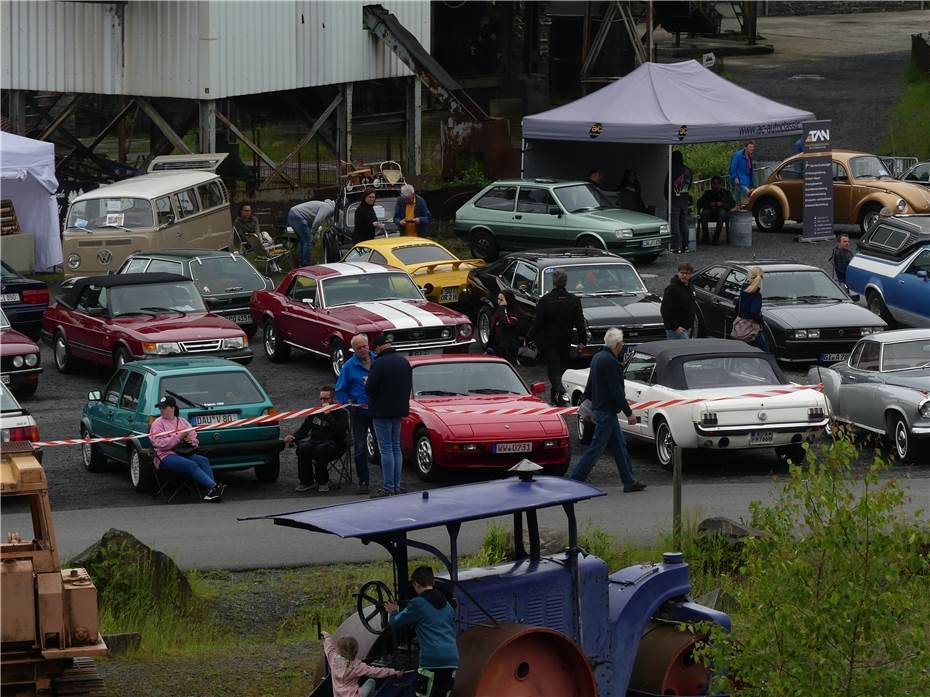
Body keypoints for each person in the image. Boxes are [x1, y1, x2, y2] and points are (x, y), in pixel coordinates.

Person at [570, 328, 646, 492]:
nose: (623, 345)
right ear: (617, 345)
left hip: (600, 410)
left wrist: (584, 403)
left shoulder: (597, 357)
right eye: (622, 343)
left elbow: (590, 384)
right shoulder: (610, 362)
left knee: (619, 445)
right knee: (597, 448)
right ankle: (576, 480)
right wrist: (629, 413)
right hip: (606, 411)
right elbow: (616, 391)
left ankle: (629, 481)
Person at [385, 566, 459, 697]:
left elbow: (396, 623)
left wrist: (393, 611)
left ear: (416, 584)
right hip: (451, 660)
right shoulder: (447, 606)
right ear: (433, 582)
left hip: (432, 661)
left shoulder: (417, 603)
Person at [149, 395, 224, 502]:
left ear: (173, 408)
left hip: (184, 452)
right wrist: (179, 437)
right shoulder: (157, 424)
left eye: (164, 407)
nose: (161, 410)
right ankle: (214, 486)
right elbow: (160, 444)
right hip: (165, 455)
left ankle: (211, 492)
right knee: (191, 464)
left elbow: (195, 440)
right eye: (160, 407)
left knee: (203, 460)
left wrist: (191, 441)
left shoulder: (183, 422)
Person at [529, 268, 587, 406]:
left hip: (549, 340)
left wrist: (529, 337)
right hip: (565, 339)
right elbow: (580, 322)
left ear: (553, 282)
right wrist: (582, 340)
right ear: (566, 282)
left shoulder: (545, 300)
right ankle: (557, 396)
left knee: (553, 370)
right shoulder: (573, 300)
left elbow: (538, 322)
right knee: (562, 367)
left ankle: (558, 394)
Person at [365, 335, 412, 496]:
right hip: (399, 410)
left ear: (378, 347)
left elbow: (370, 390)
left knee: (385, 449)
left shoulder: (378, 364)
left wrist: (367, 383)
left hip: (381, 411)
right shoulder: (404, 362)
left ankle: (388, 487)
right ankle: (397, 485)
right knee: (396, 448)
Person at [284, 386, 349, 493]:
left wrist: (328, 415)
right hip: (315, 441)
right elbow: (304, 430)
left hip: (335, 443)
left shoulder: (341, 413)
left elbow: (340, 432)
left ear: (332, 399)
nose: (323, 401)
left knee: (321, 449)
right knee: (303, 448)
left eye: (326, 399)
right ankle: (306, 482)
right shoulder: (316, 411)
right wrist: (293, 437)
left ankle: (323, 482)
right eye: (321, 399)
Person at [336, 334, 377, 494]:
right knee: (360, 447)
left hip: (377, 411)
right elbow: (340, 389)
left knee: (383, 446)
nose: (362, 350)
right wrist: (348, 403)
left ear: (368, 345)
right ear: (354, 349)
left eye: (364, 346)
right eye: (358, 348)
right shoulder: (348, 367)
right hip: (358, 412)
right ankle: (363, 481)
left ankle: (387, 481)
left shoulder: (378, 361)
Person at [321, 631, 403, 697]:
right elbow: (375, 672)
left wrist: (327, 636)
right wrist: (394, 672)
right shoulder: (358, 666)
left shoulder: (333, 659)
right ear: (355, 650)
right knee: (371, 682)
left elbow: (329, 648)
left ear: (338, 650)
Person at [287, 198, 335, 266]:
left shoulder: (322, 205)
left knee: (303, 241)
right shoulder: (327, 207)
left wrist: (312, 232)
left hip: (292, 214)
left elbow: (311, 221)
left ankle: (300, 263)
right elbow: (318, 221)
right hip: (297, 216)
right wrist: (312, 233)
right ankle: (306, 264)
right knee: (307, 241)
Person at [732, 266, 768, 351]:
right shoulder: (756, 295)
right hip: (751, 329)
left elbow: (737, 308)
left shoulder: (743, 291)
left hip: (740, 326)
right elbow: (754, 311)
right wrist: (761, 322)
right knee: (764, 353)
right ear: (761, 279)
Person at [664, 150, 693, 253]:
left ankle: (676, 246)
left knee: (674, 222)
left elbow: (667, 185)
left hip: (674, 199)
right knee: (684, 222)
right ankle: (685, 246)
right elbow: (689, 185)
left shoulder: (672, 170)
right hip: (684, 198)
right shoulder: (688, 170)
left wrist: (667, 197)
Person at [660, 262, 696, 340]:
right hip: (676, 331)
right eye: (682, 273)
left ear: (691, 274)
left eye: (687, 273)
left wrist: (691, 326)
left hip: (687, 329)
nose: (684, 275)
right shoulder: (672, 288)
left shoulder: (691, 286)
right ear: (678, 273)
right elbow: (665, 310)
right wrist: (675, 327)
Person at [696, 176, 736, 245]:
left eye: (715, 184)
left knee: (721, 214)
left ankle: (716, 238)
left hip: (722, 212)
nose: (713, 186)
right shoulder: (708, 193)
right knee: (704, 214)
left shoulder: (726, 193)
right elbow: (699, 203)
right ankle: (706, 238)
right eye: (712, 184)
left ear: (720, 184)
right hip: (710, 211)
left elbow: (732, 203)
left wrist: (722, 204)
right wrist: (710, 204)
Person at [487, 289, 520, 365]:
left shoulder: (515, 313)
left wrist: (503, 308)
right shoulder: (498, 312)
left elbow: (507, 323)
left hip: (509, 349)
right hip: (497, 348)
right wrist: (489, 347)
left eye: (501, 300)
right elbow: (493, 331)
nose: (499, 302)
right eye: (498, 299)